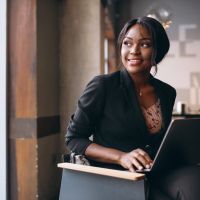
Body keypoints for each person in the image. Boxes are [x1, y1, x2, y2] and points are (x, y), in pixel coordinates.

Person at [65, 16, 200, 200]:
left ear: (157, 51)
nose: (134, 51)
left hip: (154, 169)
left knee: (194, 183)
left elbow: (161, 142)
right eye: (127, 43)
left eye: (145, 44)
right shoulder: (102, 86)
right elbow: (74, 139)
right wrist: (121, 156)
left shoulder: (167, 92)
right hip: (117, 173)